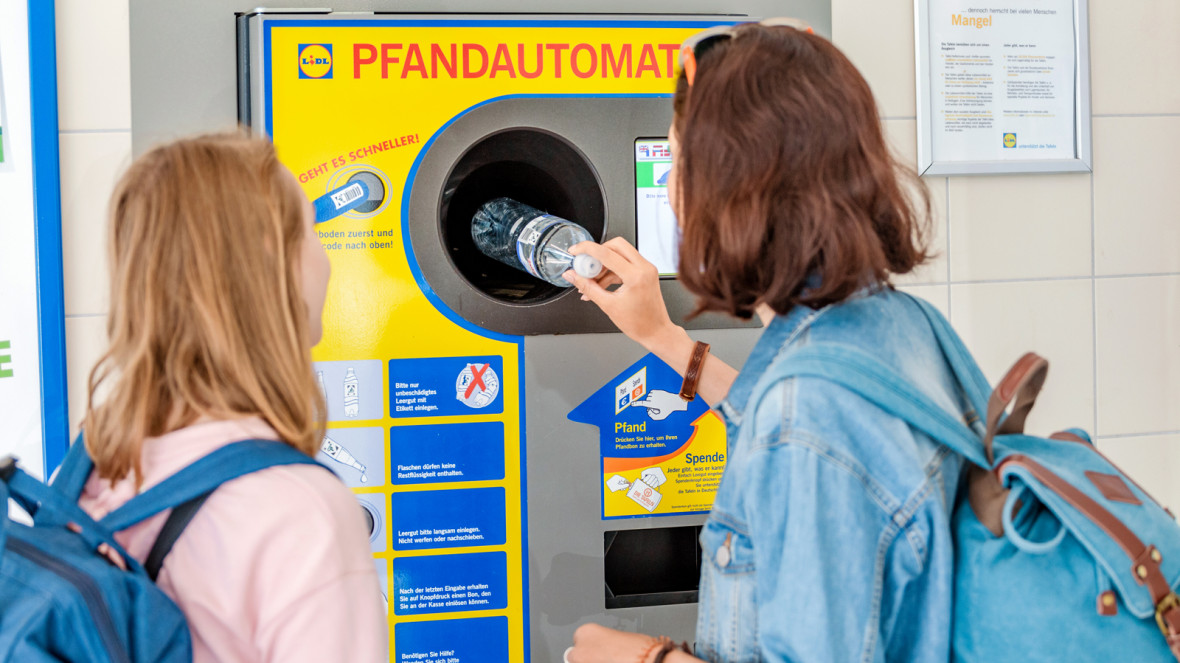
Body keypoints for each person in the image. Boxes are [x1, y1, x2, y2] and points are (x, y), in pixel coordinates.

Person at [563, 20, 969, 663]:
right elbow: (795, 424)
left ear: (727, 192)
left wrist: (649, 660)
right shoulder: (904, 326)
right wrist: (661, 337)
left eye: (677, 163)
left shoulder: (805, 416)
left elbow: (804, 436)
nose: (670, 195)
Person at [76, 133, 387, 662]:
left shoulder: (94, 452)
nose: (327, 261)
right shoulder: (297, 509)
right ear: (273, 268)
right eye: (311, 232)